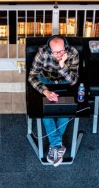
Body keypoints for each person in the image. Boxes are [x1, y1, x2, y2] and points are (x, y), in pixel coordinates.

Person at [28, 35, 80, 166]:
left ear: (65, 47)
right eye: (56, 52)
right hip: (46, 81)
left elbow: (73, 81)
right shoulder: (42, 53)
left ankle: (55, 145)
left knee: (66, 107)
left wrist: (62, 65)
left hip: (65, 82)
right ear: (49, 50)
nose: (59, 54)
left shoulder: (72, 53)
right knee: (45, 109)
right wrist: (45, 91)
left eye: (62, 51)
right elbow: (32, 76)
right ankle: (57, 145)